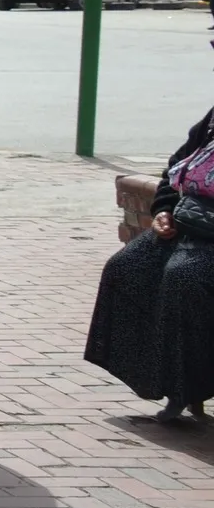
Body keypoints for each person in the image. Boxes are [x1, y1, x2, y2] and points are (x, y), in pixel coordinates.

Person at [86, 100, 214, 421]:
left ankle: (188, 388)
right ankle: (168, 380)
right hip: (193, 222)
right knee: (125, 268)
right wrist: (164, 211)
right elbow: (176, 166)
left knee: (184, 276)